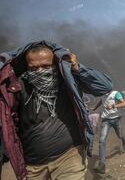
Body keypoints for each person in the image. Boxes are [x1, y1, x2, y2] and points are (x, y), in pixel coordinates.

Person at [0, 41, 113, 180]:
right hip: (33, 167)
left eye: (46, 66)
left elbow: (104, 87)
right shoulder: (17, 88)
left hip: (69, 157)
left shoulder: (66, 80)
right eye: (34, 68)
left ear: (55, 64)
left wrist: (77, 67)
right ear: (26, 67)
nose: (40, 71)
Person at [92, 90, 125, 174]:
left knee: (120, 135)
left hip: (116, 119)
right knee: (102, 140)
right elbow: (101, 101)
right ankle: (102, 165)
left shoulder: (116, 93)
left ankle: (124, 141)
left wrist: (113, 106)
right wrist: (94, 108)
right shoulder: (102, 93)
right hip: (106, 120)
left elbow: (124, 104)